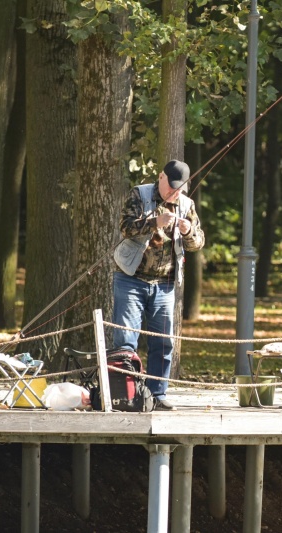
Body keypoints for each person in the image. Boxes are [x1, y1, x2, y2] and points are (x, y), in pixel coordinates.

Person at [111, 160, 205, 411]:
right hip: (131, 278)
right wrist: (155, 222)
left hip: (164, 284)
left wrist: (188, 232)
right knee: (125, 340)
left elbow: (198, 243)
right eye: (172, 187)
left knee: (163, 342)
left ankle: (157, 395)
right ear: (161, 177)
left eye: (180, 190)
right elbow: (125, 227)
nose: (175, 194)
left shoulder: (187, 205)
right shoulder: (139, 194)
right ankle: (125, 395)